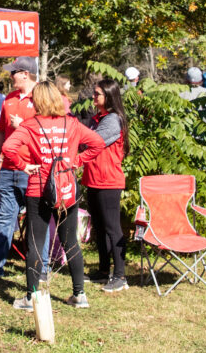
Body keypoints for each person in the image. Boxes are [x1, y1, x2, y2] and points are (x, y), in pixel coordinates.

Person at [1, 80, 106, 310]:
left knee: (36, 244)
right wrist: (76, 161)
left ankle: (31, 298)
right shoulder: (72, 123)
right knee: (71, 242)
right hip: (66, 188)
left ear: (38, 101)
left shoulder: (31, 125)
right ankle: (79, 295)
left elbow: (8, 148)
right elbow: (98, 143)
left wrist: (22, 165)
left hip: (39, 188)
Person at [0, 56, 39, 279]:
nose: (10, 76)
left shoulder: (42, 97)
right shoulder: (9, 98)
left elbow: (48, 131)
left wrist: (22, 126)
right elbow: (1, 131)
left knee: (36, 220)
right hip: (9, 169)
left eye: (13, 72)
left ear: (25, 73)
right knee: (5, 217)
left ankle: (41, 269)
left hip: (32, 169)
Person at [80, 78, 129, 292]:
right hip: (93, 178)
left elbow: (93, 141)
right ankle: (102, 271)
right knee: (99, 227)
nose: (93, 97)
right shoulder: (98, 118)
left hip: (108, 181)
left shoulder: (112, 120)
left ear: (108, 96)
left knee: (112, 228)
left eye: (97, 94)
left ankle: (120, 276)